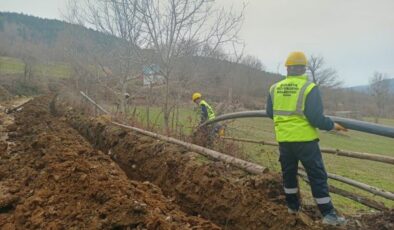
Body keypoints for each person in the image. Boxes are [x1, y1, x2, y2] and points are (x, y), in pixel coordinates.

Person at [266, 51, 347, 226]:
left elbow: (269, 113)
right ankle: (328, 215)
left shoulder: (274, 88)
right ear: (303, 69)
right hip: (305, 142)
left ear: (287, 68)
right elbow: (316, 118)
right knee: (317, 176)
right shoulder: (309, 88)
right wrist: (333, 125)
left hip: (284, 141)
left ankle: (292, 207)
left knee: (289, 175)